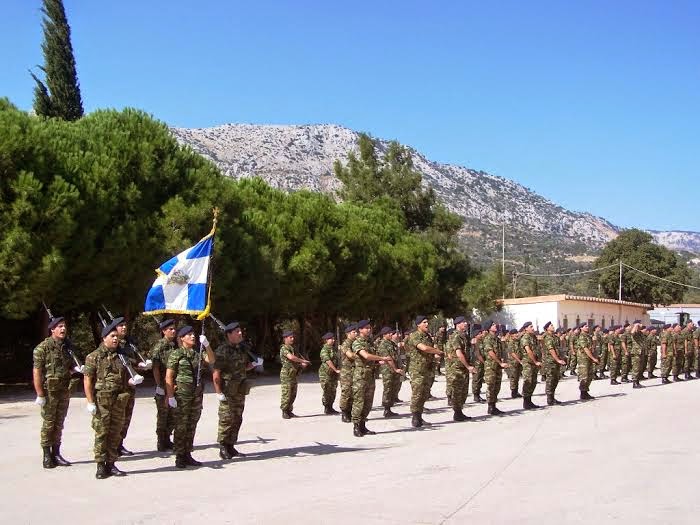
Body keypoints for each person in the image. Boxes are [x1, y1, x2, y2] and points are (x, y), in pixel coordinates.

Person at [83, 320, 132, 479]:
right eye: (112, 336)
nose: (116, 339)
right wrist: (90, 402)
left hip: (119, 401)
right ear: (104, 338)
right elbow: (88, 380)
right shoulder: (94, 357)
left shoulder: (122, 356)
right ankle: (100, 465)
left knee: (115, 433)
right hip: (102, 401)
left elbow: (126, 376)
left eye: (117, 336)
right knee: (102, 433)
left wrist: (131, 382)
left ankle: (111, 463)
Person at [33, 315, 82, 469]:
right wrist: (40, 394)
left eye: (64, 326)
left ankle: (57, 453)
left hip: (64, 390)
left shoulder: (67, 347)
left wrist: (76, 369)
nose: (63, 329)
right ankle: (47, 455)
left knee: (59, 423)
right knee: (49, 424)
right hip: (49, 392)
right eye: (60, 326)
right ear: (52, 329)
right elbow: (37, 372)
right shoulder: (42, 348)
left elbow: (68, 367)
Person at [166, 325, 215, 468]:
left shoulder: (197, 354)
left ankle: (188, 453)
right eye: (189, 335)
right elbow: (169, 376)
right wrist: (170, 397)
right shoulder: (176, 354)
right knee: (181, 426)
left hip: (196, 395)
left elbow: (211, 360)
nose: (193, 336)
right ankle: (179, 456)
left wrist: (207, 345)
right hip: (182, 396)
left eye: (193, 334)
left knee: (192, 425)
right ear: (182, 338)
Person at [212, 321, 255, 460]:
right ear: (229, 334)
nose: (240, 333)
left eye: (240, 330)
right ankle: (223, 446)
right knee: (226, 419)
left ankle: (231, 445)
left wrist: (253, 364)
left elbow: (244, 367)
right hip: (227, 391)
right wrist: (218, 393)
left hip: (240, 389)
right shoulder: (222, 351)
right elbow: (216, 373)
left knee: (237, 418)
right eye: (237, 331)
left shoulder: (242, 349)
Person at [114, 317, 150, 456]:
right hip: (118, 386)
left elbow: (132, 362)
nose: (123, 328)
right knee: (116, 418)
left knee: (126, 417)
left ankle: (119, 444)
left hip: (130, 386)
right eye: (120, 326)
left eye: (124, 325)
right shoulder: (112, 345)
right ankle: (112, 445)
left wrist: (140, 364)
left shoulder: (129, 343)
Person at [351, 320, 393, 436]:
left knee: (368, 403)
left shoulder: (370, 343)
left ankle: (363, 426)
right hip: (360, 377)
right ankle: (356, 426)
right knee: (359, 402)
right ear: (360, 330)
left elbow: (371, 360)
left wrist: (378, 362)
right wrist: (382, 358)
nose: (368, 330)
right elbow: (366, 356)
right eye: (366, 328)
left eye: (369, 328)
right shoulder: (357, 342)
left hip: (370, 376)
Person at [406, 316, 443, 428]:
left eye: (427, 322)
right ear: (418, 325)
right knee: (417, 394)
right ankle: (415, 418)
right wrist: (438, 351)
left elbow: (430, 349)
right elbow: (424, 348)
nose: (427, 324)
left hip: (427, 368)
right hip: (417, 370)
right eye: (424, 322)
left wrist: (435, 355)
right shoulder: (414, 336)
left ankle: (420, 416)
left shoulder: (427, 336)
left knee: (424, 394)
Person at [150, 318, 177, 451]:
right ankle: (161, 441)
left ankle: (167, 439)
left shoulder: (174, 345)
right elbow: (155, 368)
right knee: (163, 415)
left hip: (173, 385)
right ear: (163, 331)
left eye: (174, 329)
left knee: (172, 415)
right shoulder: (159, 346)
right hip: (163, 385)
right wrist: (159, 385)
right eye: (170, 329)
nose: (173, 331)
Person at [279, 330, 310, 419]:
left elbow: (295, 361)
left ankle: (289, 410)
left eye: (293, 337)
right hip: (286, 375)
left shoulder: (293, 348)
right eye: (290, 337)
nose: (293, 339)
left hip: (293, 374)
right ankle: (284, 411)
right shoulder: (284, 348)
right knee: (287, 393)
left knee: (293, 394)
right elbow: (291, 358)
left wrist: (302, 365)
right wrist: (303, 360)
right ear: (285, 338)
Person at [375, 327, 405, 418]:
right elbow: (388, 358)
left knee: (393, 387)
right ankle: (386, 409)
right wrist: (395, 369)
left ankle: (389, 407)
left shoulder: (391, 343)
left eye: (391, 333)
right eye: (389, 333)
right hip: (387, 369)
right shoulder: (383, 344)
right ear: (384, 334)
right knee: (388, 388)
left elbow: (396, 356)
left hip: (394, 368)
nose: (391, 334)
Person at [482, 321, 509, 415]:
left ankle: (494, 406)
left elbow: (502, 350)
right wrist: (500, 362)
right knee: (491, 386)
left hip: (497, 366)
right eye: (493, 325)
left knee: (497, 386)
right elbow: (490, 352)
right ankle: (490, 407)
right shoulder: (487, 339)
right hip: (491, 366)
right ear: (489, 328)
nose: (495, 326)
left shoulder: (497, 339)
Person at [542, 322, 567, 405]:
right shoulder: (547, 337)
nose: (553, 326)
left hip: (555, 361)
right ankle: (549, 399)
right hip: (550, 362)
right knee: (550, 380)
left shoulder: (554, 337)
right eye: (551, 326)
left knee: (555, 379)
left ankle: (552, 397)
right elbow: (551, 349)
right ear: (547, 328)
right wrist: (558, 360)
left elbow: (558, 348)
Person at [519, 322, 541, 409]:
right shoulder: (525, 338)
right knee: (528, 381)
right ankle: (526, 402)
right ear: (525, 329)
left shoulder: (533, 337)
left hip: (534, 363)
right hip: (528, 363)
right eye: (531, 327)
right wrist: (535, 361)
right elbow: (528, 351)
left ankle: (529, 401)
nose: (533, 328)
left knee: (533, 382)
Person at [338, 323, 357, 422]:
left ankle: (350, 411)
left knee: (354, 392)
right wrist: (362, 355)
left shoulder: (355, 343)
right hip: (346, 372)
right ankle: (344, 412)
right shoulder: (346, 343)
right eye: (354, 332)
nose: (356, 333)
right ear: (348, 334)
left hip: (354, 371)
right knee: (346, 392)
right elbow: (350, 355)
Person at [318, 332, 340, 415]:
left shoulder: (333, 349)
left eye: (334, 339)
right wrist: (335, 370)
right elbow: (328, 361)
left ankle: (330, 407)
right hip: (325, 374)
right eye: (332, 339)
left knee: (333, 390)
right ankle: (327, 407)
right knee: (327, 390)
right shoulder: (324, 350)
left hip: (333, 374)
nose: (333, 340)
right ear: (326, 340)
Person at [576, 323, 599, 400]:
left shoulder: (588, 336)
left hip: (589, 358)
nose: (587, 327)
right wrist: (593, 358)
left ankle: (585, 392)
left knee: (590, 375)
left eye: (587, 326)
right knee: (584, 376)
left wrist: (594, 342)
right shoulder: (582, 336)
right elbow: (585, 349)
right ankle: (583, 393)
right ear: (581, 328)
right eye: (585, 326)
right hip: (583, 359)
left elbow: (592, 347)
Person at [506, 328, 523, 398]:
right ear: (511, 335)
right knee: (513, 377)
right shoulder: (511, 343)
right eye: (515, 334)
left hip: (518, 362)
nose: (516, 334)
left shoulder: (518, 342)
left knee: (517, 377)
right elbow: (512, 353)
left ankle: (516, 391)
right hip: (513, 362)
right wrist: (519, 360)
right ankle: (513, 392)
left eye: (517, 333)